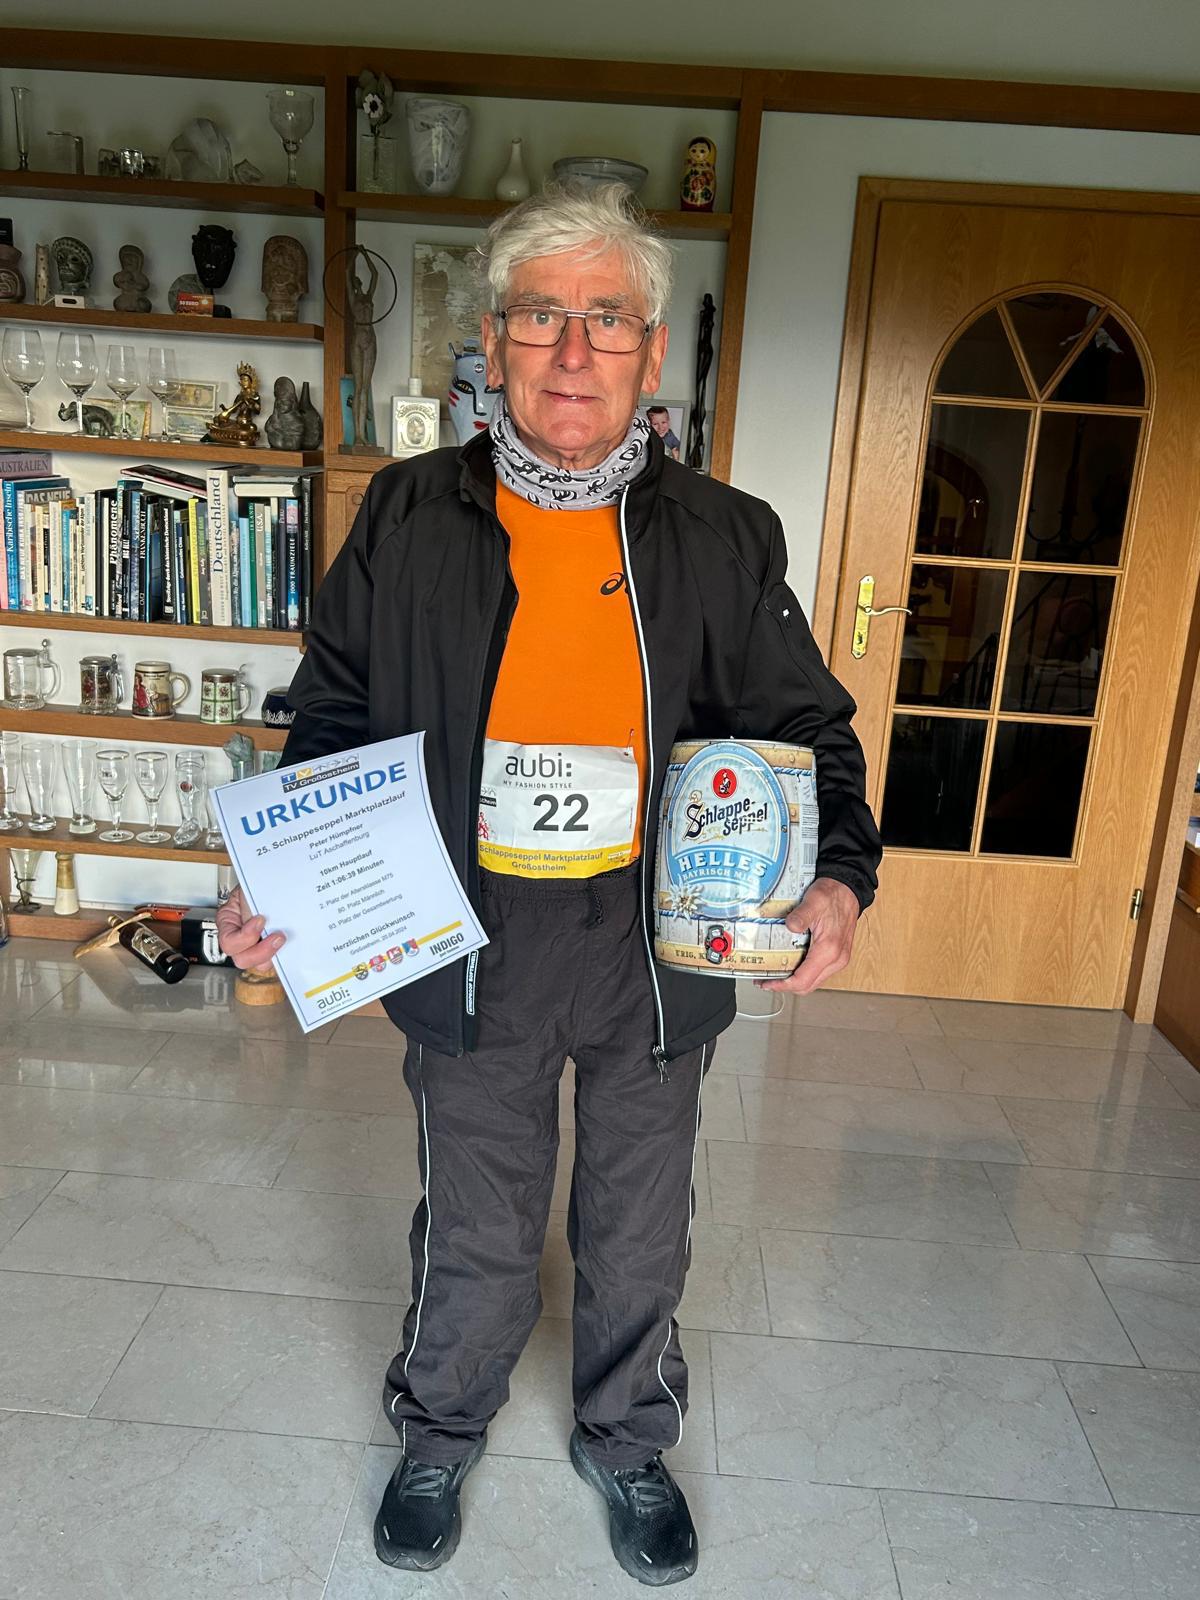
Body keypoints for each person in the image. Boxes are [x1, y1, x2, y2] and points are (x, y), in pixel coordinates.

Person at [217, 182, 883, 1586]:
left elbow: (808, 724)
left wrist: (838, 876)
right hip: (468, 924)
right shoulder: (407, 512)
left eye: (607, 319)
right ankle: (440, 1427)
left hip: (653, 928)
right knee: (477, 1207)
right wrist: (282, 879)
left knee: (640, 1215)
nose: (573, 352)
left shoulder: (725, 532)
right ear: (493, 340)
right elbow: (333, 714)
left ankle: (628, 1439)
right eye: (540, 316)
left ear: (651, 351)